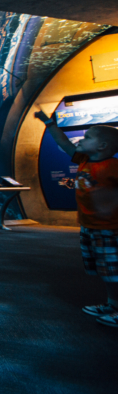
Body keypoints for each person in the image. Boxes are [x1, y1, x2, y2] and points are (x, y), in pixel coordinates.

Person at [34, 111, 118, 327]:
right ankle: (112, 303)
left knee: (114, 270)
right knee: (105, 271)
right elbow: (63, 142)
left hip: (110, 229)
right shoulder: (83, 160)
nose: (81, 139)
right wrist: (49, 123)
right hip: (90, 227)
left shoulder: (113, 168)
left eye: (88, 137)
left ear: (103, 146)